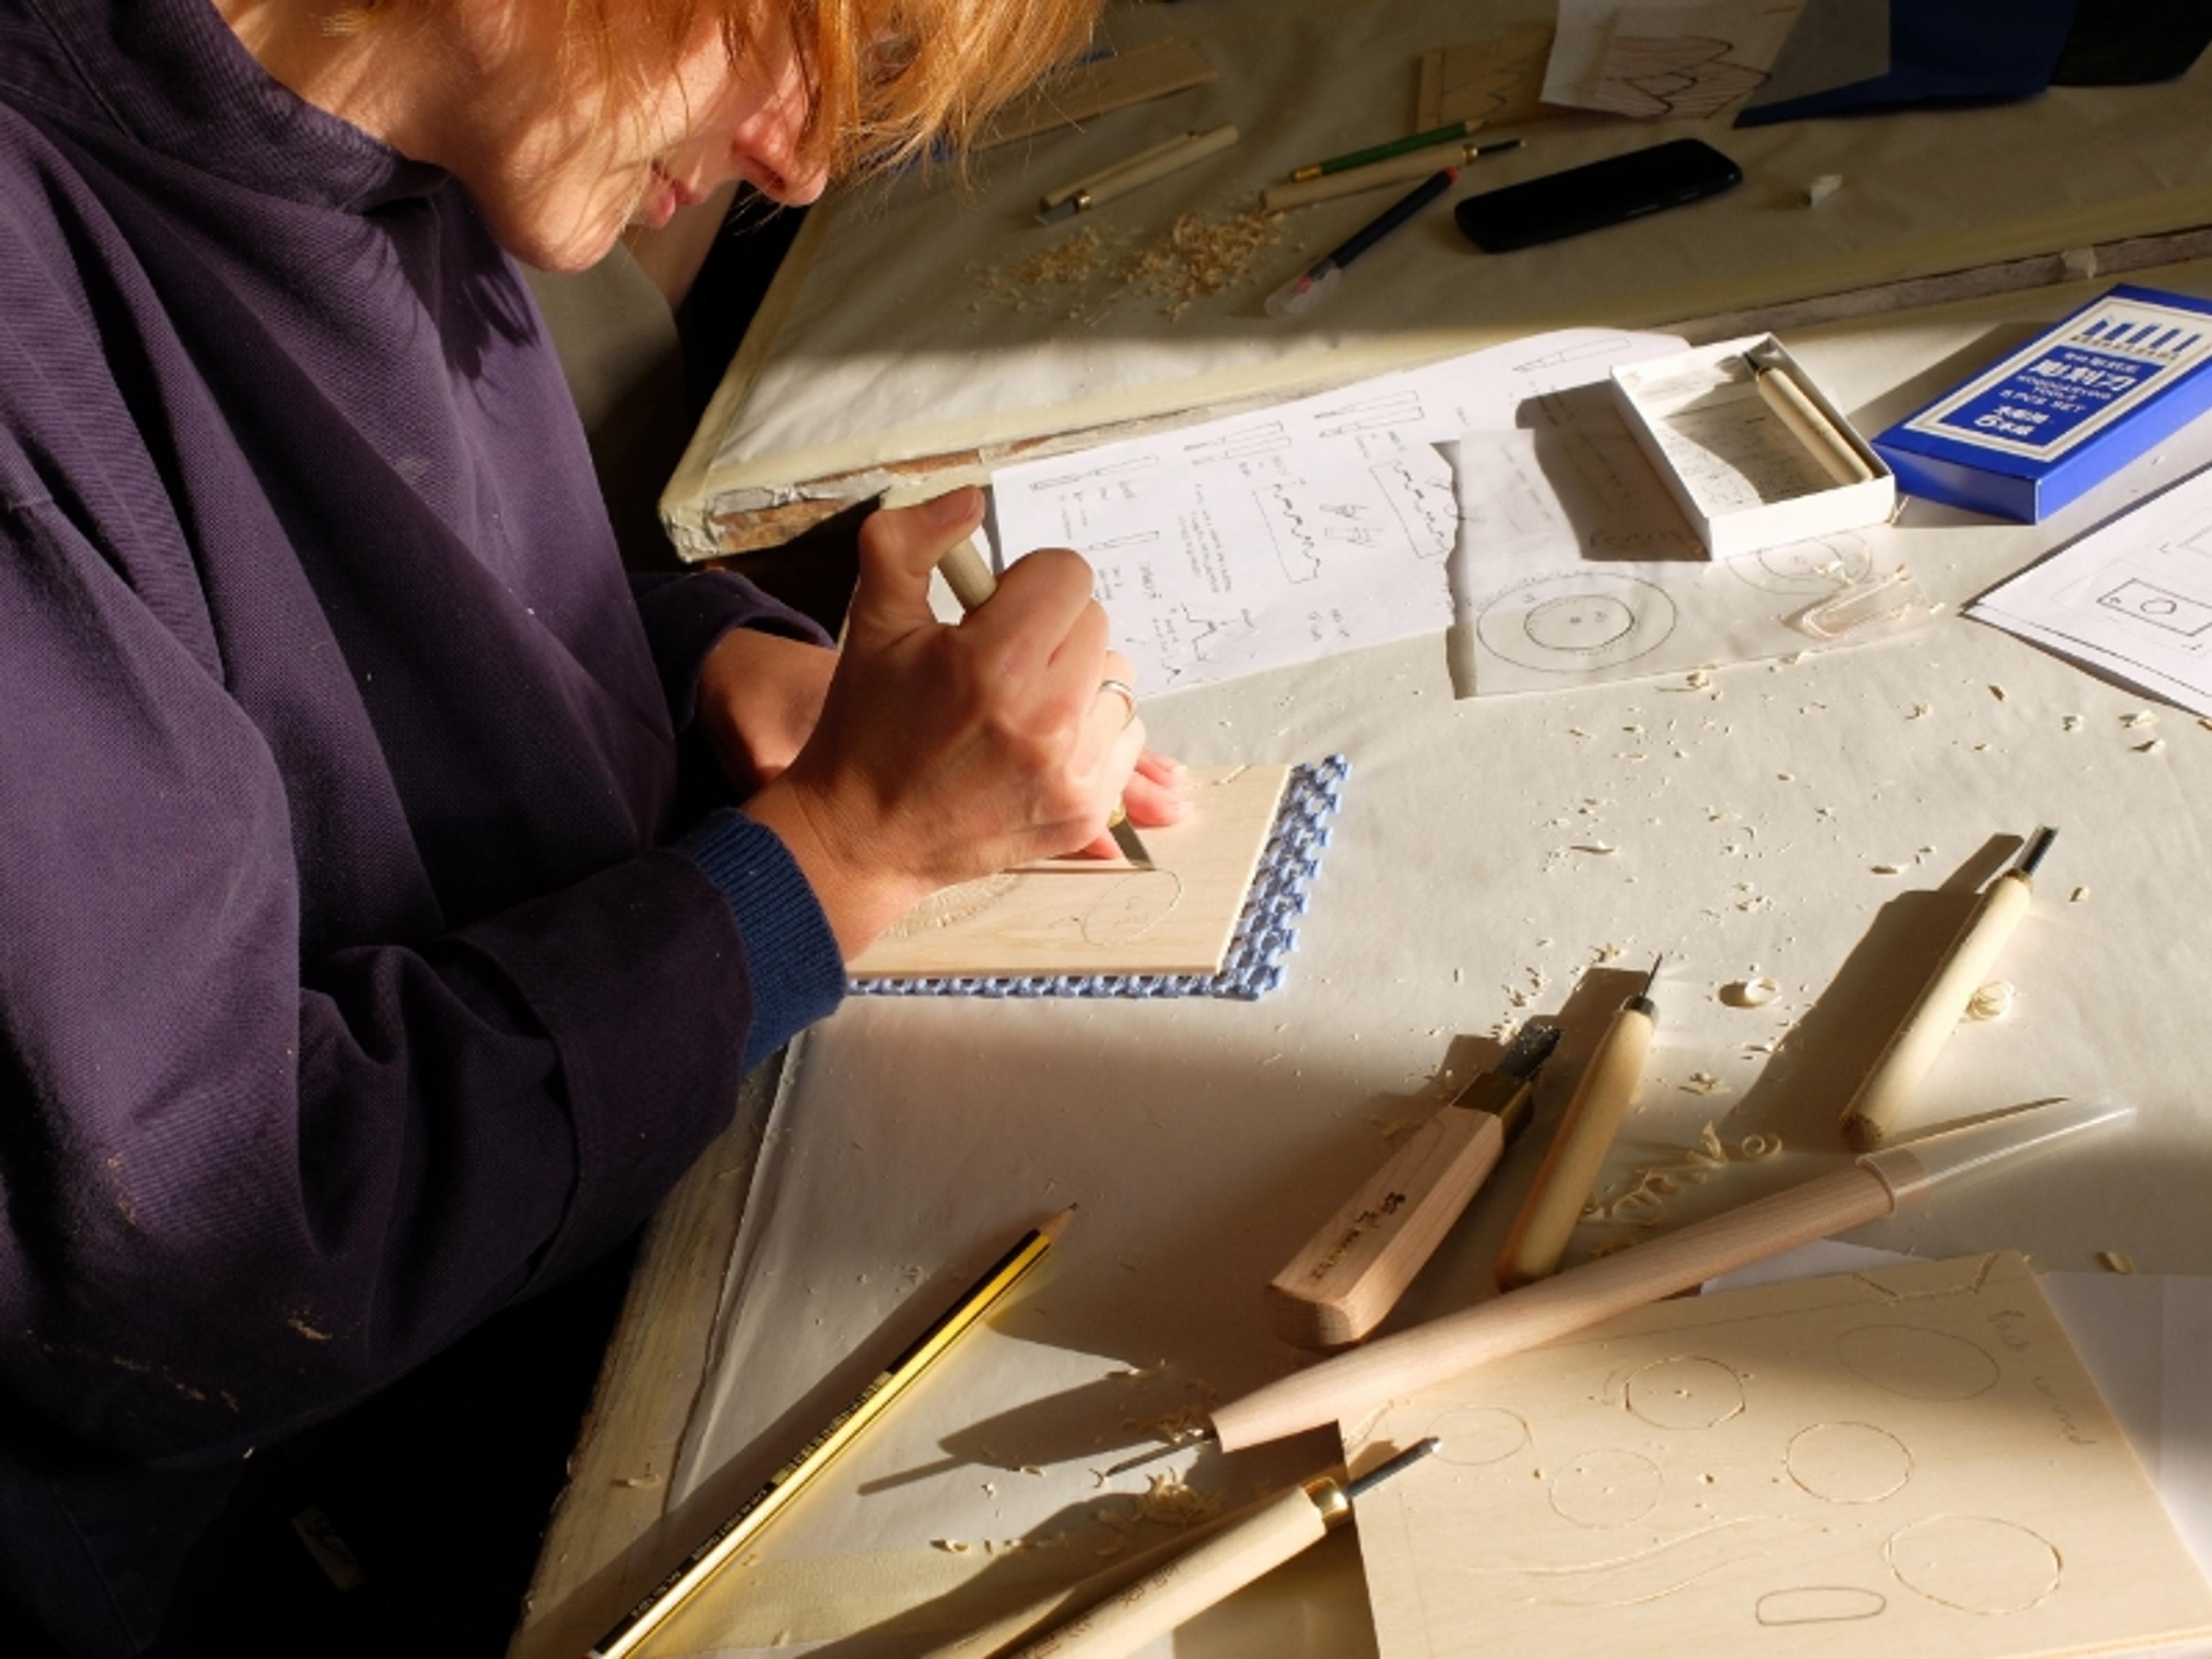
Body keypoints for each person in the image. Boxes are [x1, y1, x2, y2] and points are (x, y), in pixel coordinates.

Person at [0, 0, 1182, 1650]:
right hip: (309, 1527)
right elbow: (193, 1244)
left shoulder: (409, 128)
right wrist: (839, 860)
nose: (798, 154)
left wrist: (705, 668)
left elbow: (348, 636)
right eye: (804, 33)